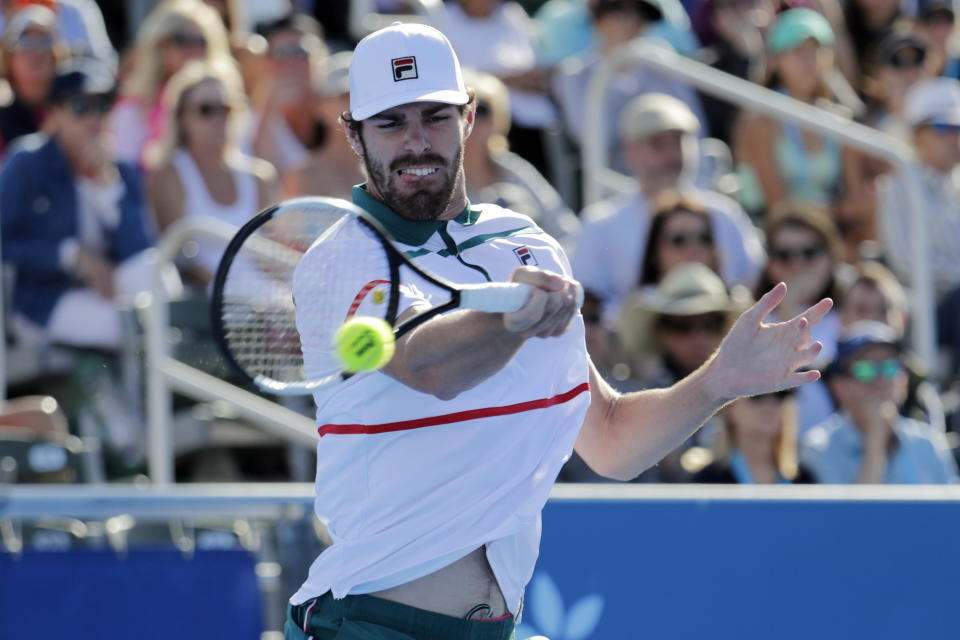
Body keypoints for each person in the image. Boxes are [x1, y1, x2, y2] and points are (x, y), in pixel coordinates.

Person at [284, 22, 832, 639]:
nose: (416, 144)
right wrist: (512, 321)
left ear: (468, 118)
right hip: (368, 624)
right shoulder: (338, 258)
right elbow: (426, 366)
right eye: (390, 123)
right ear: (353, 135)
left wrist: (718, 382)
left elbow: (611, 440)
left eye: (434, 117)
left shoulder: (528, 243)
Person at [0, 59, 180, 350]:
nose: (93, 118)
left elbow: (140, 251)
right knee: (128, 324)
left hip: (105, 289)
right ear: (56, 112)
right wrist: (69, 254)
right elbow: (3, 243)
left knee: (157, 279)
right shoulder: (27, 163)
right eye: (81, 107)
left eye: (102, 106)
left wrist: (106, 185)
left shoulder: (121, 171)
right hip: (42, 299)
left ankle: (168, 393)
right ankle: (155, 394)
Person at [572, 93, 764, 321]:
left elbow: (755, 283)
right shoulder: (600, 224)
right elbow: (588, 304)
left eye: (678, 142)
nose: (672, 155)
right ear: (629, 150)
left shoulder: (725, 213)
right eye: (658, 144)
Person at [732, 7, 871, 243]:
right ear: (775, 60)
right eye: (797, 52)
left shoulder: (839, 120)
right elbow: (778, 209)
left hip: (824, 240)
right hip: (771, 241)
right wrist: (832, 212)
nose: (810, 62)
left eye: (817, 52)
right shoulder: (759, 123)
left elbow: (859, 205)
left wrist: (828, 213)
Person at [147, 58, 277, 290]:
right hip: (202, 307)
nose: (218, 119)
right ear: (182, 118)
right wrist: (232, 294)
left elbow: (269, 258)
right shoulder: (168, 176)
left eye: (225, 108)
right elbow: (184, 260)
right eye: (206, 110)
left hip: (261, 304)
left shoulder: (260, 177)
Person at [551, 0, 708, 177]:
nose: (632, 23)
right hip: (618, 185)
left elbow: (694, 126)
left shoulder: (660, 59)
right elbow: (593, 138)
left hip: (682, 179)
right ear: (598, 18)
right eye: (620, 12)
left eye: (640, 16)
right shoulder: (574, 74)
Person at [801, 321, 958, 483]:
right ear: (838, 386)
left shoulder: (929, 444)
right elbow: (856, 510)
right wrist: (875, 444)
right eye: (865, 370)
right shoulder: (817, 449)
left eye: (891, 368)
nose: (881, 380)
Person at [460, 68, 580, 252]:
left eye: (482, 110)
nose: (472, 119)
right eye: (462, 110)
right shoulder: (439, 180)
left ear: (497, 117)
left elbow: (565, 230)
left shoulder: (515, 169)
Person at [109, 0, 229, 168]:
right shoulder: (131, 110)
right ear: (160, 45)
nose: (192, 49)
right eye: (181, 40)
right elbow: (126, 172)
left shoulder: (225, 104)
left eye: (201, 41)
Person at [877, 76, 960, 301]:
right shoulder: (894, 189)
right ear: (916, 134)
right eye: (943, 126)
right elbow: (908, 264)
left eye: (958, 127)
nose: (955, 137)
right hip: (930, 312)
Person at [248, 12, 328, 180]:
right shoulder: (247, 123)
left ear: (321, 59)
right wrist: (269, 110)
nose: (292, 63)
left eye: (301, 52)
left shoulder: (340, 109)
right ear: (266, 63)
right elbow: (259, 185)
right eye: (283, 53)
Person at [282, 50, 363, 201]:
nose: (354, 105)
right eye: (345, 96)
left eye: (362, 96)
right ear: (318, 105)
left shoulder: (387, 168)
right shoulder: (303, 175)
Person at [692, 388, 817, 483]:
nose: (770, 402)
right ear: (729, 405)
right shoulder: (708, 481)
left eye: (781, 393)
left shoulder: (804, 479)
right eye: (757, 393)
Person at [0, 5, 66, 160]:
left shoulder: (77, 110)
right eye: (25, 41)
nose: (36, 51)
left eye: (45, 41)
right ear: (10, 56)